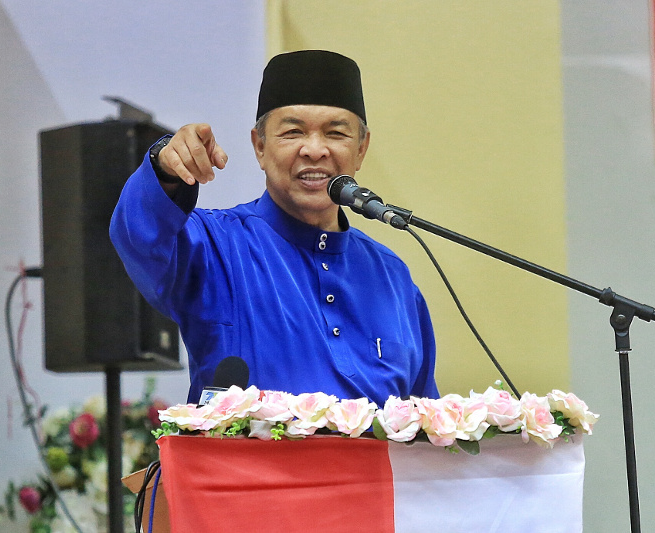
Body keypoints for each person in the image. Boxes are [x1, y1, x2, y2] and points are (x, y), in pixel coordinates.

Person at [110, 50, 439, 406]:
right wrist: (164, 166)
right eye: (293, 132)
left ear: (361, 150)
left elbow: (423, 429)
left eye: (336, 133)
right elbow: (138, 237)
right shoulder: (214, 246)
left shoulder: (393, 277)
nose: (315, 150)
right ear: (260, 147)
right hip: (241, 464)